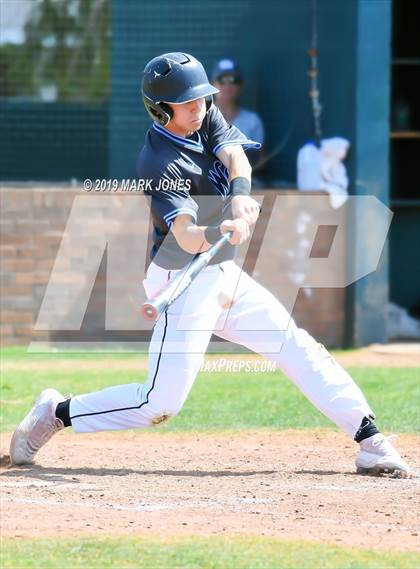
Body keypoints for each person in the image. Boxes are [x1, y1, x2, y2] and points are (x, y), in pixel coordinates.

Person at [10, 52, 409, 477]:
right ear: (160, 109)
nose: (199, 106)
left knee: (296, 345)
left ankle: (369, 439)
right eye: (188, 102)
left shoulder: (205, 114)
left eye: (202, 98)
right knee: (159, 404)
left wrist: (239, 195)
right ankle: (57, 411)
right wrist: (220, 230)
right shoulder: (158, 162)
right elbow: (184, 235)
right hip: (182, 278)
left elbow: (236, 157)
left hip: (223, 276)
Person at [211, 58, 265, 177]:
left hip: (243, 182)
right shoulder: (199, 117)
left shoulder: (252, 120)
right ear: (213, 84)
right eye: (222, 80)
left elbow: (260, 161)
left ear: (241, 85)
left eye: (233, 80)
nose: (228, 85)